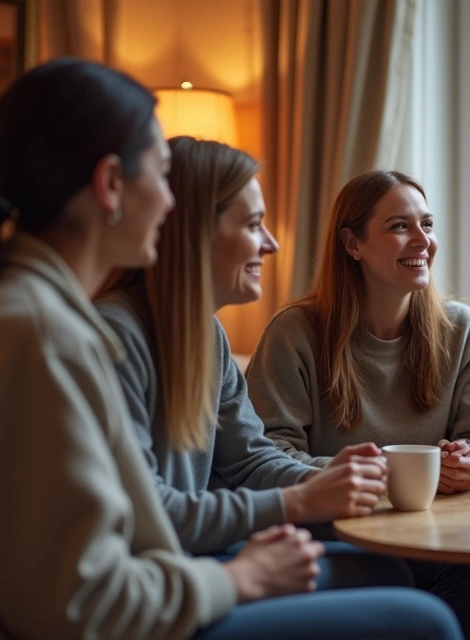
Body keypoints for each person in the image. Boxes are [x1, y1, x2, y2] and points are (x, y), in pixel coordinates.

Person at [0, 58, 461, 640]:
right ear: (110, 185)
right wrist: (237, 578)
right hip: (132, 615)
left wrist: (304, 500)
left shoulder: (44, 319)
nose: (172, 204)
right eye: (159, 173)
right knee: (427, 620)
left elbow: (139, 523)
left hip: (151, 589)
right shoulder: (46, 339)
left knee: (383, 573)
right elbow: (82, 605)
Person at [96, 136, 413, 590]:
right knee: (418, 615)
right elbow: (151, 514)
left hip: (191, 561)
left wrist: (325, 478)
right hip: (154, 586)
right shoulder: (114, 339)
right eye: (252, 225)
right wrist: (300, 500)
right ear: (194, 232)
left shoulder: (207, 336)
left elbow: (249, 461)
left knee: (385, 571)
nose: (271, 244)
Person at [248, 170, 470, 640]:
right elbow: (268, 456)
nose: (422, 241)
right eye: (399, 226)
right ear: (352, 244)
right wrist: (375, 478)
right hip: (339, 531)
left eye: (427, 225)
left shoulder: (463, 331)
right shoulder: (294, 335)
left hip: (433, 533)